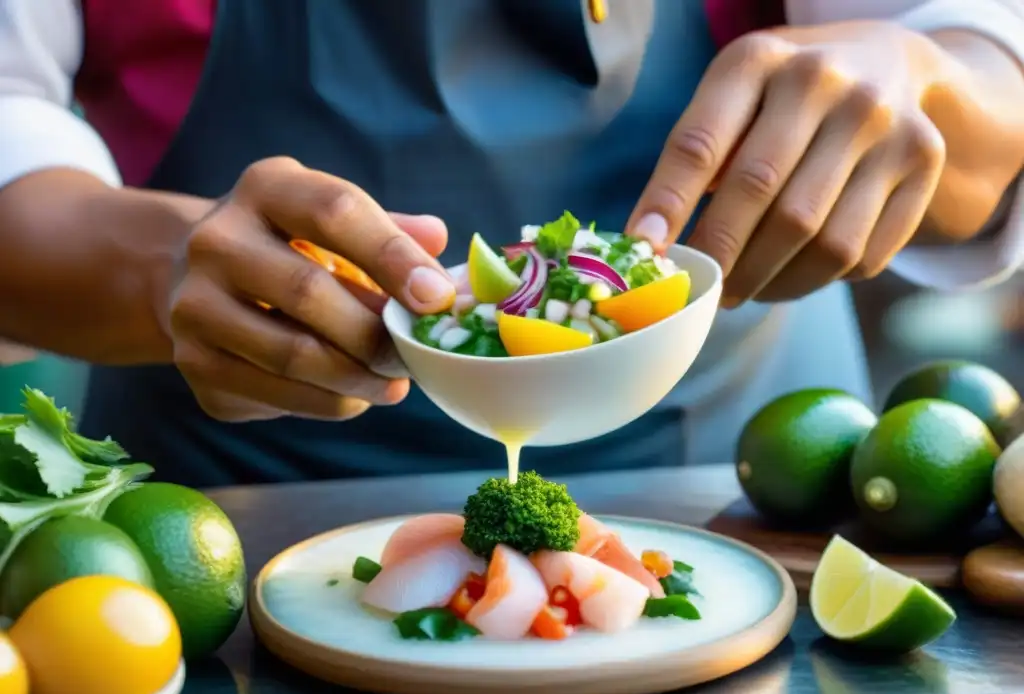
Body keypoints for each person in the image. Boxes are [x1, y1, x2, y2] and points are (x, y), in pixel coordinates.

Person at [1, 0, 1023, 487]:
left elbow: (989, 80)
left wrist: (923, 75)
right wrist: (165, 267)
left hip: (747, 489)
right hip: (239, 513)